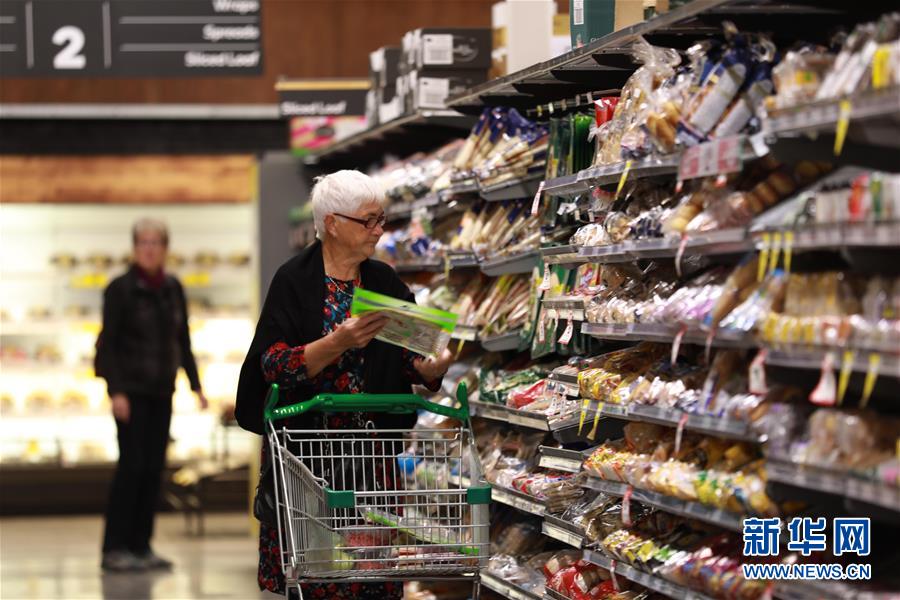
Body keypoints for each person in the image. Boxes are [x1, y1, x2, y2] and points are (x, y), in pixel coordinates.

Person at [235, 170, 453, 599]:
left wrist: (430, 370)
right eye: (367, 221)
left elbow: (410, 357)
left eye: (381, 219)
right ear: (332, 223)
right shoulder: (294, 281)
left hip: (371, 457)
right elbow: (273, 364)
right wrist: (337, 343)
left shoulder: (384, 282)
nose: (378, 230)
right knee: (319, 578)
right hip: (309, 460)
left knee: (371, 578)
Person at [95, 218, 208, 572]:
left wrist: (195, 385)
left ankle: (141, 546)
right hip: (131, 394)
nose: (149, 248)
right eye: (143, 242)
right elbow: (106, 346)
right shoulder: (120, 289)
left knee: (153, 471)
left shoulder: (173, 288)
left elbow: (183, 340)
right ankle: (114, 548)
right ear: (134, 247)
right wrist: (116, 391)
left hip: (162, 392)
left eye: (156, 242)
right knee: (131, 468)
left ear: (165, 248)